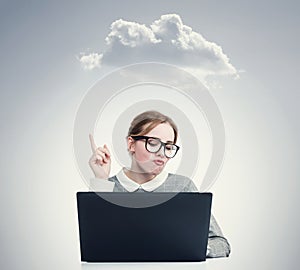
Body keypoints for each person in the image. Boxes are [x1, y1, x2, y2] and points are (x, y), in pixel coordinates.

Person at [88, 110, 231, 258]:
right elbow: (93, 243)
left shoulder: (183, 187)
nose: (162, 153)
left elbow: (221, 244)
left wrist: (194, 249)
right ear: (131, 144)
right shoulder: (107, 186)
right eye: (153, 143)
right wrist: (100, 179)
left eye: (168, 147)